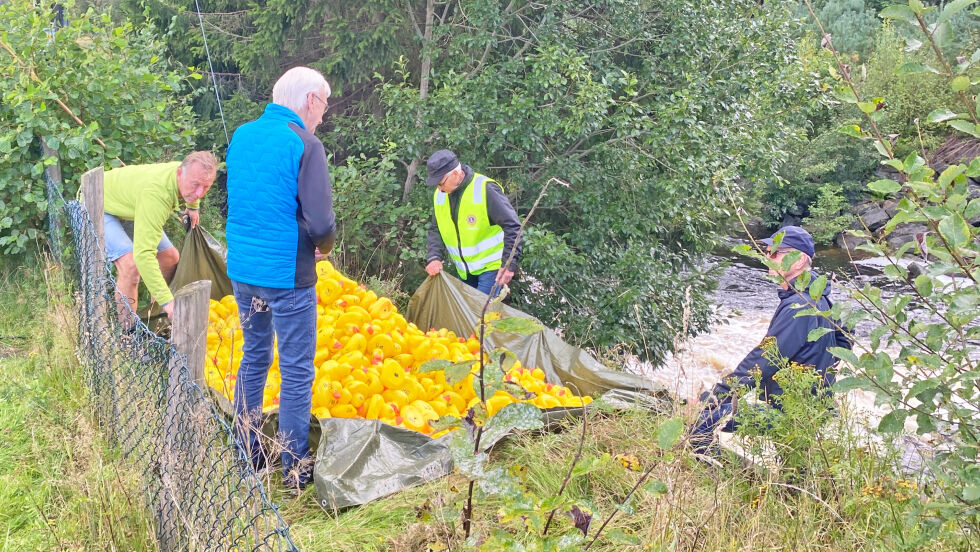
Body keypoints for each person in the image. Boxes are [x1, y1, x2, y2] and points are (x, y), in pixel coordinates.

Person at [224, 66, 336, 489]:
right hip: (287, 277)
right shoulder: (305, 144)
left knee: (253, 357)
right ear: (309, 100)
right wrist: (324, 245)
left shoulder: (242, 136)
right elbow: (321, 221)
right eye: (323, 105)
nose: (323, 115)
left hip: (243, 272)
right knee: (296, 369)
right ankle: (294, 469)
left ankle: (246, 454)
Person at [690, 226, 849, 455]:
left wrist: (713, 397)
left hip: (792, 414)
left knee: (702, 423)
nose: (767, 257)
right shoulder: (817, 296)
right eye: (767, 251)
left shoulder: (799, 305)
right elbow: (844, 340)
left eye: (776, 253)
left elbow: (763, 360)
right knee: (796, 472)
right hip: (807, 410)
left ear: (799, 260)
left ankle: (717, 481)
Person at [102, 151, 218, 321]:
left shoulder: (185, 173)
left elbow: (196, 188)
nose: (200, 192)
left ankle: (155, 318)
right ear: (180, 173)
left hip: (130, 206)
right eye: (195, 185)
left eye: (206, 187)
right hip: (100, 203)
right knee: (131, 265)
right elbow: (144, 254)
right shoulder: (157, 195)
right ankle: (128, 337)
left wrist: (193, 206)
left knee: (170, 258)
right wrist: (167, 301)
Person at [424, 149, 521, 296]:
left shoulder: (485, 189)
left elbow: (513, 226)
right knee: (467, 316)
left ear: (456, 174)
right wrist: (434, 257)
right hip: (464, 272)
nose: (439, 188)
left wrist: (508, 265)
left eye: (441, 183)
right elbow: (436, 228)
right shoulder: (440, 195)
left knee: (478, 316)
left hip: (491, 269)